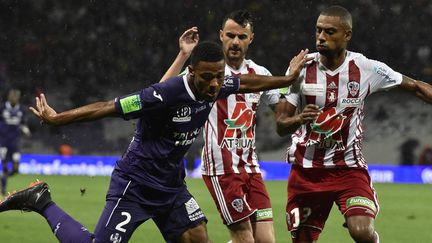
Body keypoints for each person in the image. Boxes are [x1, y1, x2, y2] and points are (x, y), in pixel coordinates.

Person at [0, 41, 310, 243]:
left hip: (171, 187)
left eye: (218, 77)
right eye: (207, 78)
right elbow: (109, 106)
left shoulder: (217, 84)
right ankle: (41, 201)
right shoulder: (163, 95)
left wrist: (285, 80)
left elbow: (246, 83)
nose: (215, 84)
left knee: (197, 238)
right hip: (135, 184)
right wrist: (58, 118)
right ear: (192, 72)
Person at [275, 5, 432, 243]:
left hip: (348, 170)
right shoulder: (300, 68)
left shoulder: (366, 68)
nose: (321, 37)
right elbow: (281, 125)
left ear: (347, 35)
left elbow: (416, 87)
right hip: (307, 172)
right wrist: (299, 118)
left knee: (361, 230)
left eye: (329, 32)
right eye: (318, 31)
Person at [161, 10, 279, 243]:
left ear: (251, 38)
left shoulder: (260, 74)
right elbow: (160, 93)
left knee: (266, 241)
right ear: (221, 36)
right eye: (231, 35)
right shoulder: (206, 72)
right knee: (245, 238)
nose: (235, 42)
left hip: (251, 168)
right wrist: (183, 55)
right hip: (221, 168)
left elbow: (284, 115)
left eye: (242, 37)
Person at [0, 89, 31, 196]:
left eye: (16, 96)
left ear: (18, 98)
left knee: (16, 169)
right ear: (8, 97)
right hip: (3, 141)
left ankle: (3, 177)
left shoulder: (21, 109)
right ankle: (3, 190)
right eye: (12, 96)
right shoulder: (2, 107)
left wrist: (25, 129)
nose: (13, 98)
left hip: (15, 142)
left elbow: (23, 123)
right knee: (4, 166)